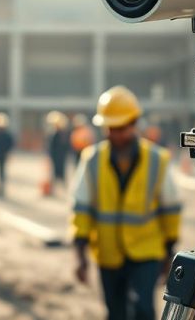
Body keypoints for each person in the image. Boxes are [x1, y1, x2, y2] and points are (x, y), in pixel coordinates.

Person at [72, 86, 182, 320]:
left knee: (143, 309)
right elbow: (81, 208)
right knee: (115, 312)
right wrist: (80, 255)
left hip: (147, 251)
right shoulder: (92, 160)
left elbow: (170, 208)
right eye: (111, 128)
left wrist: (169, 249)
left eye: (122, 128)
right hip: (108, 252)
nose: (117, 134)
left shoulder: (157, 159)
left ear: (134, 124)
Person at [46, 110, 70, 193]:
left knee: (59, 172)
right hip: (57, 155)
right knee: (56, 172)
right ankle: (56, 188)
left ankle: (60, 188)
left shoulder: (59, 133)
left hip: (58, 156)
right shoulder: (58, 133)